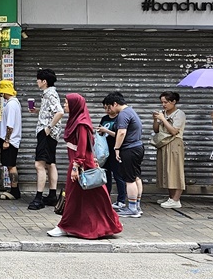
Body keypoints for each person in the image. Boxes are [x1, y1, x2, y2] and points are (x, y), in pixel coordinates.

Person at [47, 93, 123, 239]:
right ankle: (105, 224)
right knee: (93, 197)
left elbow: (82, 147)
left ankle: (65, 226)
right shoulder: (75, 120)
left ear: (75, 105)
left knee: (73, 196)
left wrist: (76, 166)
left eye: (66, 103)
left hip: (81, 164)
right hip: (79, 163)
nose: (64, 105)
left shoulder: (81, 123)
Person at [28, 69, 64, 210]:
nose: (37, 82)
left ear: (44, 81)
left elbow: (59, 112)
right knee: (50, 163)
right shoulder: (48, 94)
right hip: (51, 134)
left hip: (47, 133)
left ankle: (38, 198)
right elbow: (52, 111)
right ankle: (52, 195)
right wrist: (38, 110)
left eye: (38, 79)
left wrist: (48, 128)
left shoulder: (50, 94)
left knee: (39, 165)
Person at [104, 91, 144, 218]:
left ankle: (132, 209)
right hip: (137, 147)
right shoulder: (131, 111)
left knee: (129, 179)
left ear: (115, 104)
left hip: (129, 149)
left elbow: (121, 132)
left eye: (109, 106)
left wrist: (116, 148)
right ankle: (137, 206)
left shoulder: (123, 114)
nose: (109, 110)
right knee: (136, 177)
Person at [153, 91, 186, 209]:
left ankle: (176, 199)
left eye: (166, 102)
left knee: (176, 170)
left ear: (173, 102)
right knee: (167, 170)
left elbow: (174, 131)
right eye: (162, 102)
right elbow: (156, 130)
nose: (163, 105)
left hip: (174, 143)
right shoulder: (163, 113)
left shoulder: (179, 114)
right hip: (163, 143)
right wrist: (156, 120)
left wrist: (164, 119)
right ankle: (170, 197)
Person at [0, 80, 23, 200]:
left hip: (10, 140)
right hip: (11, 139)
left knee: (11, 166)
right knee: (9, 165)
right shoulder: (13, 103)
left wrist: (7, 140)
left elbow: (10, 126)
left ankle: (14, 190)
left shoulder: (12, 104)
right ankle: (14, 189)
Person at [97, 102, 126, 211]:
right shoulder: (104, 118)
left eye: (108, 108)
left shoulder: (120, 118)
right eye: (104, 108)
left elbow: (121, 134)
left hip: (116, 150)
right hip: (104, 151)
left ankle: (121, 200)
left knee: (118, 175)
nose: (107, 110)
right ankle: (106, 198)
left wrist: (106, 130)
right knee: (106, 174)